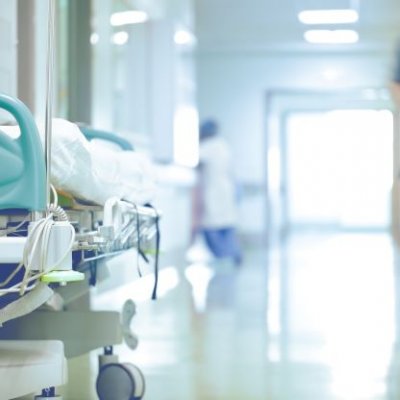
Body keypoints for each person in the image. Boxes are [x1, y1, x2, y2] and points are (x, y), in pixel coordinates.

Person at [192, 118, 242, 266]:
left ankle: (224, 256)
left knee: (211, 225)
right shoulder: (223, 145)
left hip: (214, 190)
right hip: (227, 190)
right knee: (226, 225)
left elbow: (193, 161)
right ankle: (233, 252)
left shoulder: (208, 146)